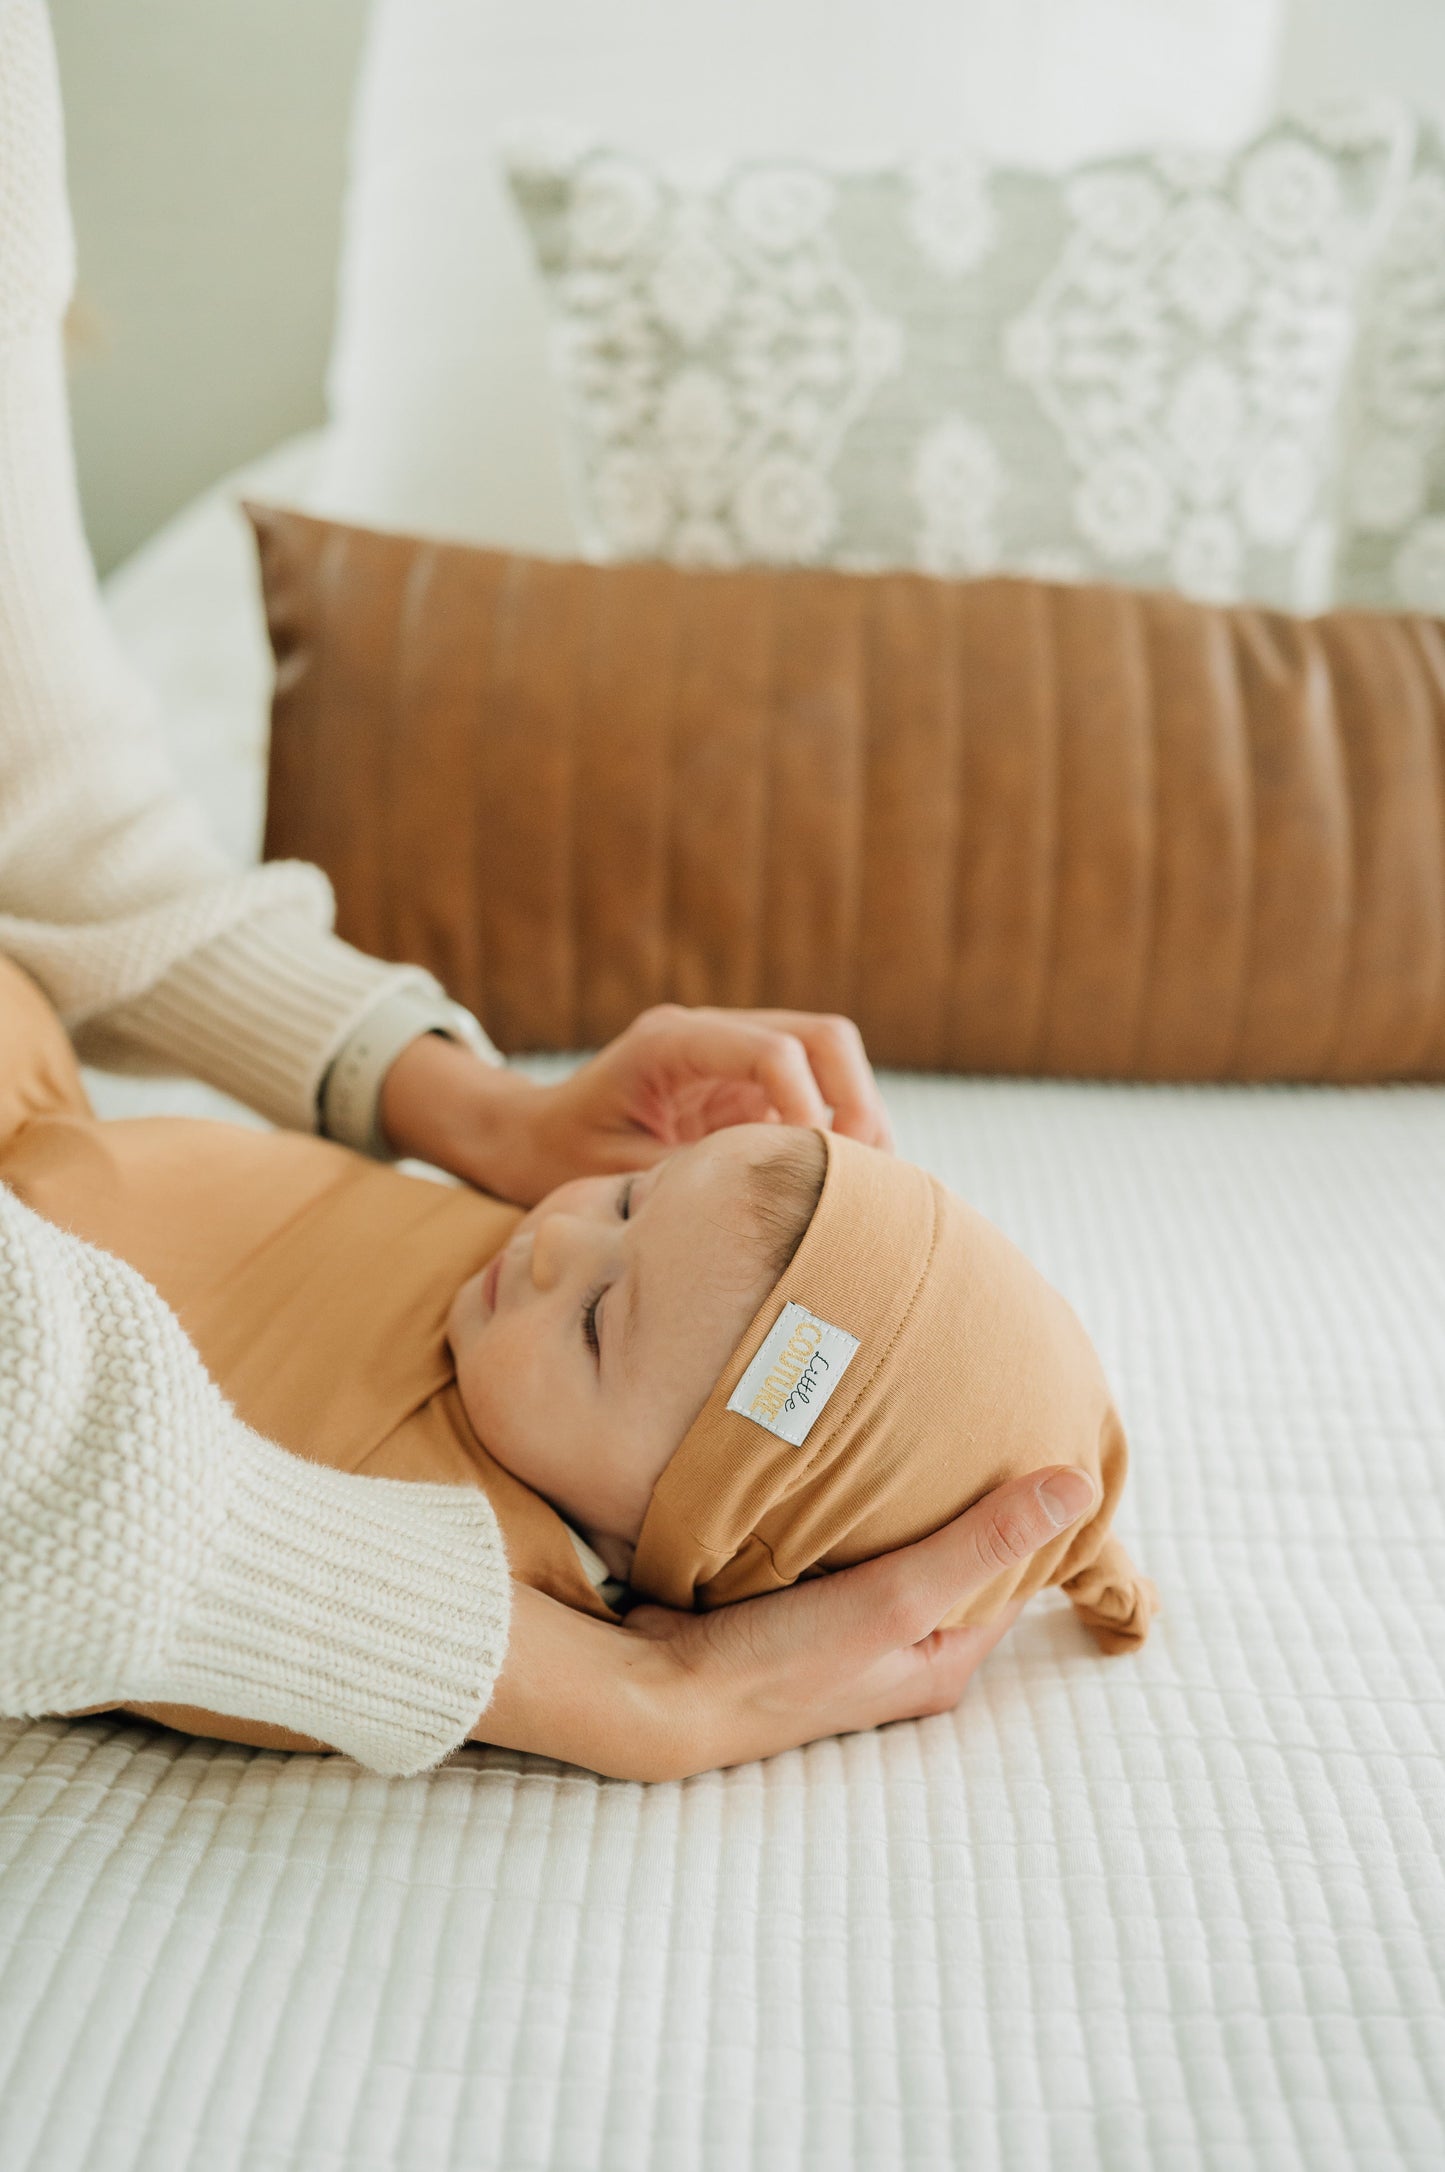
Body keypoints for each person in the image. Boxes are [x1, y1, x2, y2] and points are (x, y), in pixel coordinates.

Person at [0, 0, 1093, 1779]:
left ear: (676, 1550)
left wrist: (462, 1102)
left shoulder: (470, 1522)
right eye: (614, 1214)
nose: (559, 1232)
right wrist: (622, 1700)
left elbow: (32, 794)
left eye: (610, 1281)